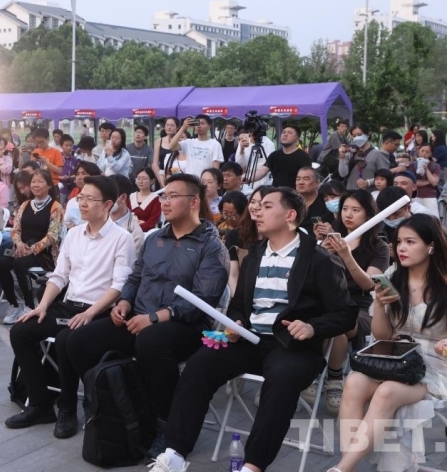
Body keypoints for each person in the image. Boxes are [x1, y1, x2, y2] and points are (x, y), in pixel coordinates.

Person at [151, 187, 357, 472]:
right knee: (200, 364)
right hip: (250, 340)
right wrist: (235, 322)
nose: (257, 211)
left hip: (293, 347)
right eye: (257, 205)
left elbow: (346, 314)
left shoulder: (319, 259)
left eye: (267, 206)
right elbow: (238, 306)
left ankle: (252, 466)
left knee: (281, 380)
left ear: (290, 215)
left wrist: (312, 326)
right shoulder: (255, 256)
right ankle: (175, 452)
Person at [65, 173, 229, 459]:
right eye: (163, 196)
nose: (164, 202)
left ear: (194, 202)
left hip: (184, 326)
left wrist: (154, 318)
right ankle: (118, 402)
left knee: (151, 341)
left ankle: (165, 421)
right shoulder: (155, 239)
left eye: (173, 196)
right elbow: (135, 278)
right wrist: (124, 303)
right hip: (139, 318)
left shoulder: (211, 246)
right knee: (77, 341)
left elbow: (203, 301)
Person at [333, 215, 447, 472]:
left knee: (387, 391)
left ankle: (342, 468)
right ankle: (347, 465)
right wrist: (379, 305)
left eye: (410, 241)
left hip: (431, 367)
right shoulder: (392, 279)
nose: (402, 248)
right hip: (394, 358)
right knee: (353, 382)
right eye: (398, 242)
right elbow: (382, 336)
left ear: (431, 246)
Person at [4, 175, 135, 436]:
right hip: (68, 306)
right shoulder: (74, 234)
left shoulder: (122, 238)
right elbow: (59, 276)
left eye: (90, 199)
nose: (82, 203)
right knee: (21, 331)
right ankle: (40, 403)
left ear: (107, 204)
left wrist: (91, 313)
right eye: (81, 197)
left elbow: (119, 285)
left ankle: (67, 408)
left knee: (66, 339)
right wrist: (42, 306)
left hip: (99, 311)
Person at [306, 189, 389, 415]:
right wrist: (319, 251)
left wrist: (346, 255)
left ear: (368, 214)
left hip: (357, 306)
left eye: (356, 210)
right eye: (345, 209)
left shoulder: (378, 246)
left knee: (338, 324)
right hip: (325, 302)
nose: (348, 214)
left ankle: (333, 378)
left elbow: (368, 284)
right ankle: (309, 371)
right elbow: (309, 277)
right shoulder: (330, 241)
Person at [0, 169, 64, 324]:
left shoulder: (56, 207)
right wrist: (19, 243)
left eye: (40, 182)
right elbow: (15, 229)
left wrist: (32, 250)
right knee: (2, 264)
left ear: (49, 185)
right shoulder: (25, 205)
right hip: (21, 249)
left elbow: (52, 236)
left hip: (44, 253)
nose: (36, 185)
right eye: (33, 181)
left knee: (19, 264)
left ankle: (29, 306)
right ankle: (13, 305)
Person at [252, 125, 312, 189]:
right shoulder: (274, 155)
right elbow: (262, 171)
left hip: (294, 193)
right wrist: (246, 179)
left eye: (289, 133)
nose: (285, 135)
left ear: (297, 138)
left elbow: (307, 177)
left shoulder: (303, 157)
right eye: (283, 132)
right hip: (276, 192)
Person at [337, 122, 392, 190]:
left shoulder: (378, 154)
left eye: (359, 134)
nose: (357, 138)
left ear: (368, 134)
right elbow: (343, 174)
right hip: (351, 192)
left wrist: (368, 182)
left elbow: (386, 176)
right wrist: (342, 157)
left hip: (370, 193)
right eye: (354, 136)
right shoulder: (350, 153)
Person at [108, 174, 145, 254]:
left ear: (123, 198)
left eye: (109, 196)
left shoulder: (135, 233)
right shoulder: (95, 220)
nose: (104, 200)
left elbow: (128, 260)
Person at [63, 161, 101, 230]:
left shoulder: (100, 199)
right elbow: (66, 222)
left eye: (84, 173)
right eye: (77, 174)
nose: (79, 177)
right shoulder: (73, 199)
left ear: (94, 176)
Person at [295, 166, 327, 235]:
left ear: (317, 183)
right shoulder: (290, 202)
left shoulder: (325, 202)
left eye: (306, 179)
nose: (301, 182)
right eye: (298, 179)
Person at [152, 117, 180, 187]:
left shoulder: (181, 142)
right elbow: (155, 164)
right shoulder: (159, 141)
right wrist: (160, 179)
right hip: (161, 175)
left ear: (177, 127)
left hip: (176, 175)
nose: (169, 127)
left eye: (172, 125)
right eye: (167, 125)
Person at [414, 144, 442, 213]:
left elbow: (434, 183)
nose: (424, 154)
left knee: (432, 216)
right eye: (422, 151)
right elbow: (413, 182)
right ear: (418, 151)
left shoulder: (435, 166)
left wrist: (426, 169)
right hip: (415, 195)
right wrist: (429, 181)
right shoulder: (412, 165)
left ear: (431, 154)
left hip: (430, 195)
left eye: (427, 152)